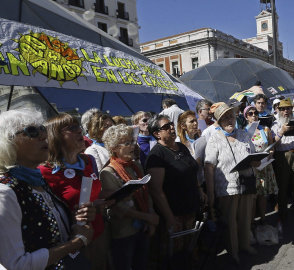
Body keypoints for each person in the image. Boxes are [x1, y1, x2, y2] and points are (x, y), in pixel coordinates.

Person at [0, 109, 95, 270]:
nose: (44, 136)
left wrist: (75, 219)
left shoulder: (37, 180)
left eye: (42, 129)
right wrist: (77, 242)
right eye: (32, 131)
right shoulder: (5, 192)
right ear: (7, 141)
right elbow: (16, 265)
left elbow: (49, 230)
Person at [39, 113, 112, 270]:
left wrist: (109, 198)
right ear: (55, 136)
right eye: (71, 128)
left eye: (78, 126)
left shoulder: (87, 161)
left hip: (98, 234)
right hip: (72, 244)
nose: (79, 131)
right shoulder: (44, 171)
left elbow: (94, 194)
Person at [204, 103, 259, 264]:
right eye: (225, 117)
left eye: (231, 116)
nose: (229, 120)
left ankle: (245, 245)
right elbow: (209, 166)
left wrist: (256, 161)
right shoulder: (214, 138)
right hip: (227, 187)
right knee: (230, 222)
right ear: (219, 121)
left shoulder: (243, 134)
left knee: (245, 217)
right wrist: (211, 192)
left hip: (246, 183)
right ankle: (233, 251)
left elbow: (253, 154)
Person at [100, 124, 159, 270]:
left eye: (132, 142)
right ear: (113, 147)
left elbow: (147, 193)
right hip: (123, 234)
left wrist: (150, 215)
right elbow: (118, 208)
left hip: (142, 228)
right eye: (126, 143)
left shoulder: (136, 166)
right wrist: (148, 218)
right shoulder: (107, 172)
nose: (132, 146)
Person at [145, 114, 205, 256]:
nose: (172, 127)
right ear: (156, 134)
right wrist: (170, 217)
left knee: (191, 249)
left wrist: (200, 189)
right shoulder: (156, 156)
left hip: (191, 208)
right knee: (177, 253)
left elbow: (191, 170)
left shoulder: (181, 147)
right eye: (166, 127)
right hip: (175, 213)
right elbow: (156, 191)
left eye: (171, 124)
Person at [271, 98, 294, 222]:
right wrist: (281, 131)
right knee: (282, 184)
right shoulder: (275, 125)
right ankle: (282, 210)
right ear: (279, 110)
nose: (285, 111)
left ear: (291, 109)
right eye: (283, 109)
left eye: (288, 108)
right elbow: (272, 144)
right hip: (283, 156)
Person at [244, 105, 278, 225]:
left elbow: (271, 146)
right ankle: (252, 221)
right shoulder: (243, 132)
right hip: (253, 170)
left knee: (263, 193)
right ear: (246, 117)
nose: (254, 115)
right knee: (253, 196)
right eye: (250, 114)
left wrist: (270, 154)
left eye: (255, 113)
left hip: (264, 169)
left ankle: (263, 218)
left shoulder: (265, 129)